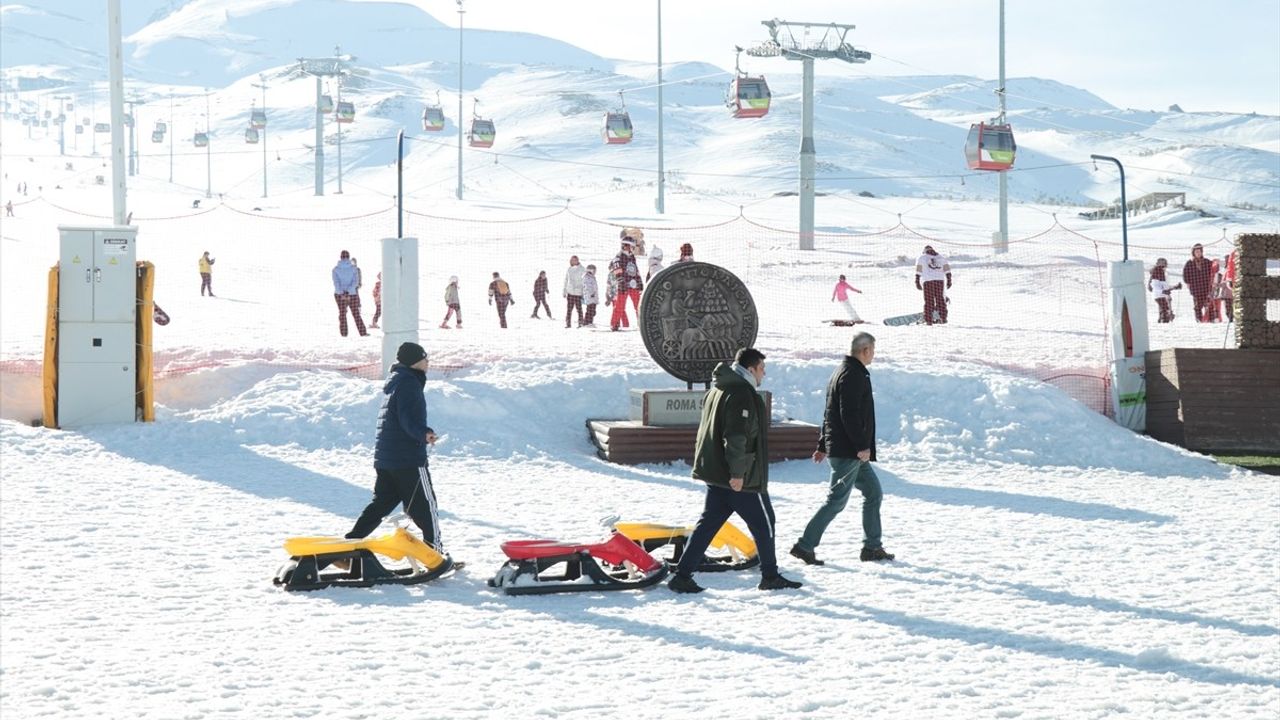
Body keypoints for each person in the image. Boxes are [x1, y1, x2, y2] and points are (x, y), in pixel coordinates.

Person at [668, 348, 803, 594]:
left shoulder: (719, 387)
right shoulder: (741, 393)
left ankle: (682, 575)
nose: (764, 373)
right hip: (741, 477)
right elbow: (737, 437)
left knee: (708, 524)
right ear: (750, 369)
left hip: (717, 473)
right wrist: (738, 474)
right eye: (762, 368)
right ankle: (770, 576)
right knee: (765, 524)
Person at [791, 332, 896, 567]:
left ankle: (872, 547)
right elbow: (847, 415)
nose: (873, 356)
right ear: (865, 350)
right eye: (873, 351)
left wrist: (822, 445)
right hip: (849, 452)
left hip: (848, 451)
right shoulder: (852, 375)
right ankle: (805, 545)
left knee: (873, 492)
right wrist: (861, 446)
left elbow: (829, 412)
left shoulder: (842, 371)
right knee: (836, 501)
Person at [345, 342, 445, 550]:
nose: (428, 362)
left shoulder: (397, 382)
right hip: (407, 459)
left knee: (380, 506)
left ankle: (346, 548)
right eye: (425, 359)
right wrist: (424, 433)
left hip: (387, 459)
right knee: (426, 506)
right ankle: (435, 552)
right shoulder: (409, 383)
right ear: (415, 362)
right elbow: (407, 418)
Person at [608, 234, 644, 331]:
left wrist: (639, 280)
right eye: (631, 247)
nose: (632, 249)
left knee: (639, 304)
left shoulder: (632, 257)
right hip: (623, 285)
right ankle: (614, 324)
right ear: (625, 246)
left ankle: (642, 323)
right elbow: (617, 270)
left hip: (633, 285)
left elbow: (635, 269)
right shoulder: (618, 257)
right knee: (620, 305)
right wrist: (621, 281)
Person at [332, 250, 368, 337]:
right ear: (348, 257)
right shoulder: (354, 269)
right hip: (352, 294)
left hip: (339, 295)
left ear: (340, 257)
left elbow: (336, 283)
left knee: (342, 313)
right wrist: (348, 292)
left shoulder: (335, 270)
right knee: (356, 313)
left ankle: (344, 333)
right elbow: (355, 282)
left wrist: (342, 293)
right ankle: (362, 332)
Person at [914, 245, 951, 325]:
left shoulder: (922, 258)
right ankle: (943, 318)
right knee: (940, 299)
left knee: (929, 300)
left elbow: (918, 270)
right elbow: (947, 269)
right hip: (939, 281)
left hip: (928, 281)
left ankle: (928, 319)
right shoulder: (941, 257)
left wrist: (917, 281)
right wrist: (949, 280)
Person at [1182, 243, 1214, 323]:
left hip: (1206, 288)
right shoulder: (1189, 263)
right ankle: (1199, 320)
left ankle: (1210, 320)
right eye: (1196, 252)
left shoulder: (1207, 262)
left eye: (1199, 251)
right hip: (1196, 289)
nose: (1198, 253)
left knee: (1209, 305)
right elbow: (1185, 275)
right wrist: (1188, 282)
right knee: (1198, 306)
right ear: (1193, 253)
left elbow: (1213, 271)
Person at [1148, 259, 1181, 324]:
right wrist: (1163, 291)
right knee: (1164, 309)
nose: (1164, 268)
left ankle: (1163, 319)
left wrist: (1175, 287)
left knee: (1164, 308)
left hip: (1162, 295)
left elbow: (1165, 286)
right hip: (1158, 295)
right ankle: (1164, 320)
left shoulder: (1163, 274)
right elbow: (1155, 287)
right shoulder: (1157, 273)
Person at [562, 255, 585, 328]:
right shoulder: (569, 269)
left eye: (574, 260)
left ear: (577, 260)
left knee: (579, 309)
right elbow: (566, 280)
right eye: (572, 260)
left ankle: (580, 323)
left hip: (578, 293)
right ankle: (568, 323)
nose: (573, 261)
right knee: (569, 309)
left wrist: (584, 292)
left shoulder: (582, 269)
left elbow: (584, 281)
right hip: (570, 292)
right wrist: (564, 291)